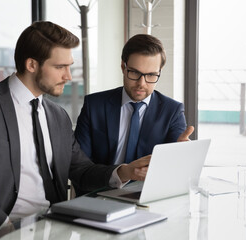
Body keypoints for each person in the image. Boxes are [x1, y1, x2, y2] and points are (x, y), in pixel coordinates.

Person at [0, 21, 149, 239]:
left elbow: (80, 169)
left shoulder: (57, 116)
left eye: (69, 67)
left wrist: (125, 172)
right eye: (60, 67)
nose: (68, 76)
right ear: (31, 65)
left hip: (55, 226)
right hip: (3, 228)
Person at [75, 34, 193, 168]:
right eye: (135, 73)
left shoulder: (172, 111)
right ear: (123, 67)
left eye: (151, 75)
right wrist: (118, 176)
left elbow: (173, 167)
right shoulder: (94, 106)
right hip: (103, 186)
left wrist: (183, 154)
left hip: (149, 188)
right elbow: (80, 166)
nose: (141, 83)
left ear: (159, 72)